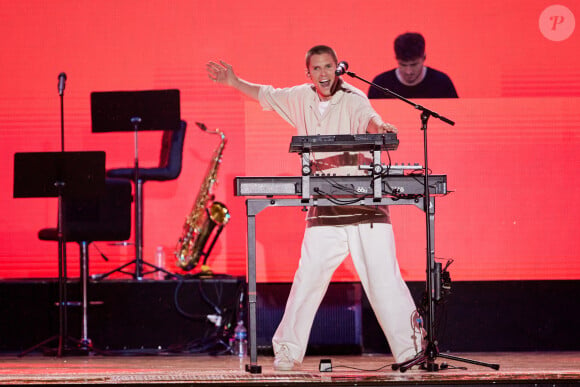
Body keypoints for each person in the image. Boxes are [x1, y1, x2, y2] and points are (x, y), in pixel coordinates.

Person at [206, 45, 422, 371]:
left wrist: (382, 129)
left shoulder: (353, 96)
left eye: (328, 67)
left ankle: (413, 351)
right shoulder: (299, 98)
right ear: (308, 73)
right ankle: (287, 352)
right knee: (307, 280)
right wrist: (234, 82)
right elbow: (266, 94)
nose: (323, 74)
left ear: (337, 68)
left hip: (365, 207)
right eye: (317, 68)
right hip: (325, 207)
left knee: (384, 281)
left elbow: (370, 120)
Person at [368, 32, 458, 99]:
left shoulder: (441, 83)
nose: (409, 71)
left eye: (414, 64)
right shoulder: (381, 84)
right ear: (396, 59)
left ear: (424, 58)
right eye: (403, 64)